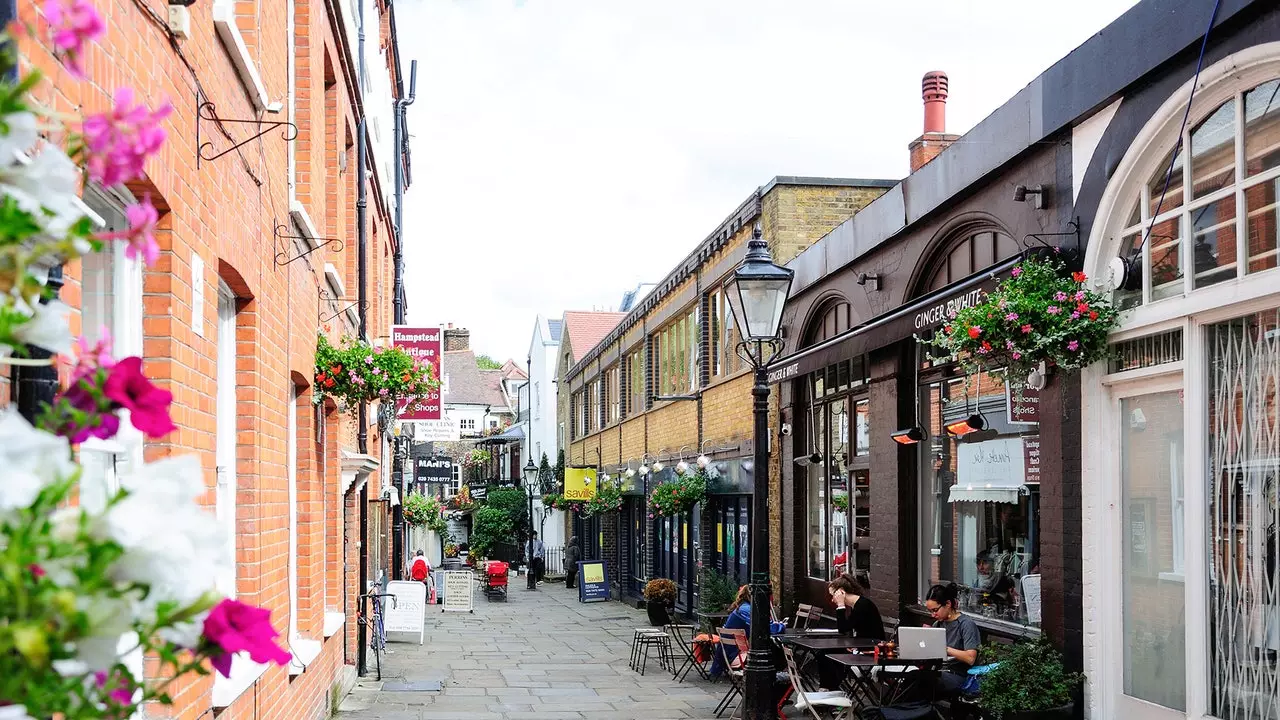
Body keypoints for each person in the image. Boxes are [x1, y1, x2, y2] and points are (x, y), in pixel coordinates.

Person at [709, 585, 786, 677]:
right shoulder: (748, 610)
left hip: (727, 652)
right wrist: (782, 626)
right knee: (775, 648)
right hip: (736, 655)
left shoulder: (742, 607)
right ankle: (777, 674)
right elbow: (766, 627)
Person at [924, 582, 981, 699]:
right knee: (913, 679)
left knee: (923, 683)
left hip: (958, 675)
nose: (933, 615)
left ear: (948, 604)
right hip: (939, 671)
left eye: (935, 610)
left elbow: (970, 658)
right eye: (930, 611)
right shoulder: (938, 624)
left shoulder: (966, 625)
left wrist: (944, 648)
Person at [828, 573, 884, 640]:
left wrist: (840, 605)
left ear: (841, 591)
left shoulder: (862, 606)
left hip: (871, 646)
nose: (832, 599)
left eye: (833, 595)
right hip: (864, 643)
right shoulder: (858, 604)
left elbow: (843, 629)